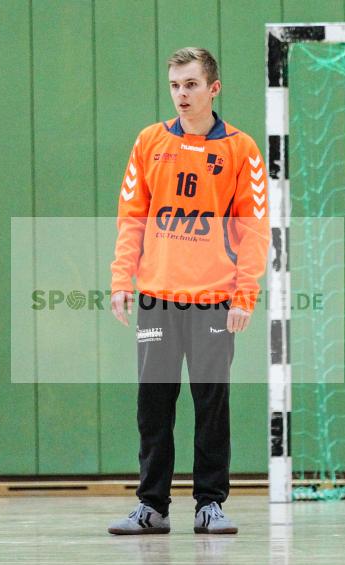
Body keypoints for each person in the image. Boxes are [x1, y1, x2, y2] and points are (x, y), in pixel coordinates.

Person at [107, 47, 269, 535]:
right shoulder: (149, 142)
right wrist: (121, 280)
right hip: (157, 297)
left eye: (192, 84)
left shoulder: (241, 149)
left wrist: (245, 294)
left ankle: (209, 505)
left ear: (213, 88)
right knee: (153, 405)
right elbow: (131, 218)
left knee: (211, 404)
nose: (182, 94)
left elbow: (254, 230)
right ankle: (151, 507)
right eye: (176, 85)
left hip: (214, 299)